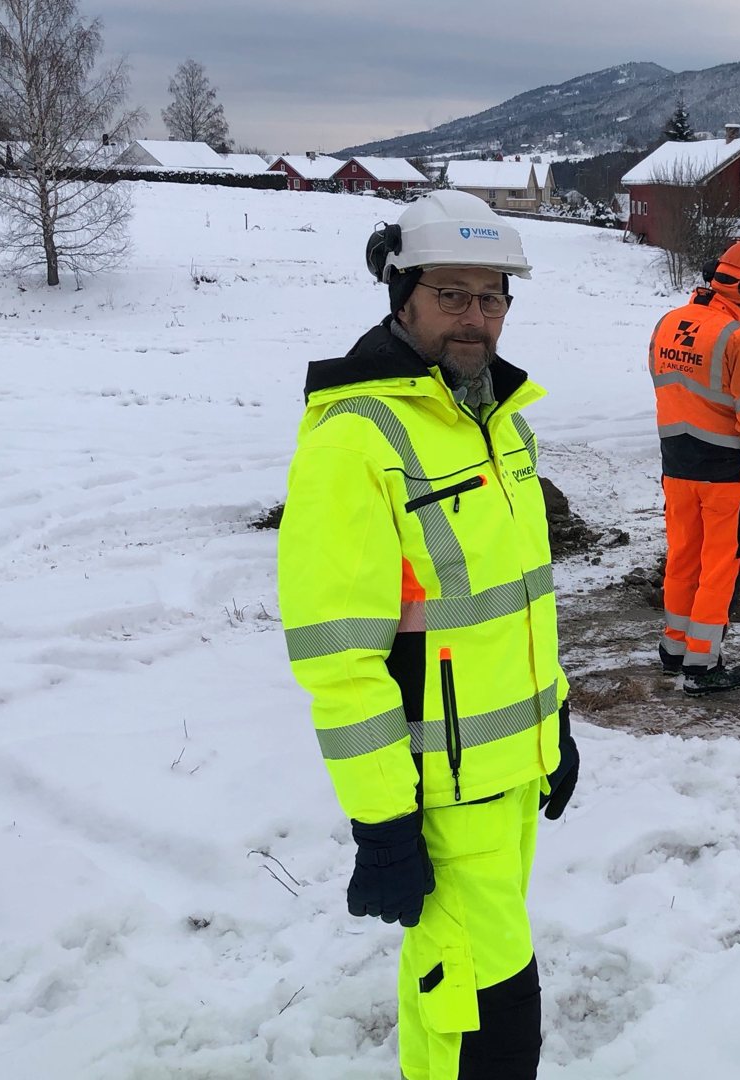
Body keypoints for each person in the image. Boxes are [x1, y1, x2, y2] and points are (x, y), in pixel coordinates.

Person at [277, 189, 578, 1080]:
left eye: (491, 296)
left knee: (459, 984)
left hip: (508, 775)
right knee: (486, 1012)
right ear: (400, 295)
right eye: (452, 294)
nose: (475, 317)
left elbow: (518, 604)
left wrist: (552, 721)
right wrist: (383, 822)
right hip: (438, 794)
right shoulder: (355, 442)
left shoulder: (496, 420)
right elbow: (341, 662)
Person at [647, 239, 740, 696]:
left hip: (677, 467)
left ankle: (674, 648)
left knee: (683, 556)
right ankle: (703, 665)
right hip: (726, 473)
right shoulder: (739, 340)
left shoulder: (667, 324)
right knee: (721, 566)